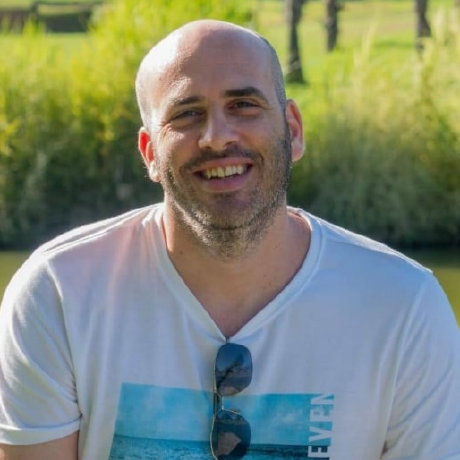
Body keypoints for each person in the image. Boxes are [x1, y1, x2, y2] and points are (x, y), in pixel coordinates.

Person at [0, 19, 459, 460]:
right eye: (186, 114)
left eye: (243, 105)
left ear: (293, 131)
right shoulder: (59, 292)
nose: (217, 138)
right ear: (150, 154)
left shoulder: (403, 306)